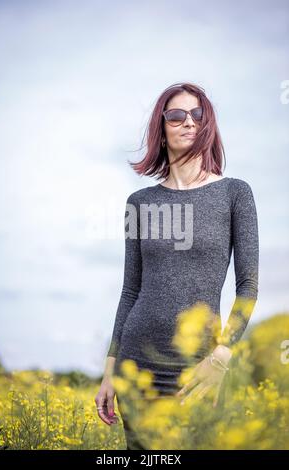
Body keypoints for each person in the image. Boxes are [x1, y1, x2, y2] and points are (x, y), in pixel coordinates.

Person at [94, 82, 259, 450]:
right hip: (136, 367)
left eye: (197, 114)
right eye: (176, 114)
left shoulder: (235, 194)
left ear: (207, 125)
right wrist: (110, 370)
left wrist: (221, 357)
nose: (188, 121)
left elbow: (247, 285)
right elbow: (130, 290)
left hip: (200, 367)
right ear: (162, 129)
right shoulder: (139, 202)